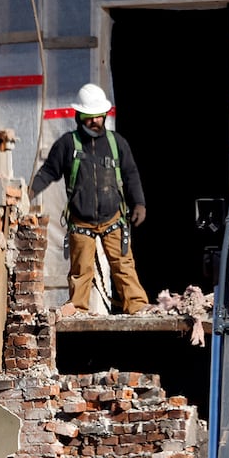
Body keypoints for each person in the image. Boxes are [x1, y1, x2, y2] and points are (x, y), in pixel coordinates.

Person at [28, 83, 151, 315]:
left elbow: (131, 173)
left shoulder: (117, 144)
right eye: (89, 117)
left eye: (98, 117)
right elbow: (48, 172)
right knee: (81, 270)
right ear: (79, 116)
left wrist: (139, 203)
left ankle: (137, 307)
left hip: (113, 217)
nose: (95, 122)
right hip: (81, 221)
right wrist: (30, 192)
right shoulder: (67, 144)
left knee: (123, 266)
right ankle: (78, 309)